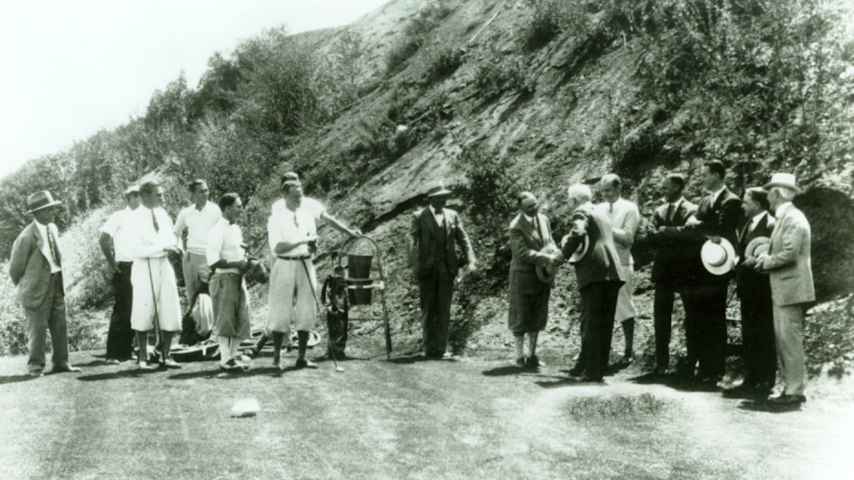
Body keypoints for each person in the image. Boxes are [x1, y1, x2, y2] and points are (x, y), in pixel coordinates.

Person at [661, 161, 743, 386]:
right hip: (701, 267)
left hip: (719, 266)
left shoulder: (732, 201)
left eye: (706, 174)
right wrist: (700, 226)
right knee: (700, 317)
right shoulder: (706, 200)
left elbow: (721, 230)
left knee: (715, 318)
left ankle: (716, 369)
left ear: (717, 175)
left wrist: (699, 226)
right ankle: (703, 366)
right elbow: (698, 225)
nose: (703, 178)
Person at [267, 174, 360, 370]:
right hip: (284, 264)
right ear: (285, 196)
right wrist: (302, 241)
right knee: (280, 310)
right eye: (295, 197)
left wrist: (314, 243)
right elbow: (278, 248)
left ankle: (301, 357)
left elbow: (321, 228)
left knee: (306, 309)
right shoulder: (276, 217)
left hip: (306, 263)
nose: (299, 200)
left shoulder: (306, 212)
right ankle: (276, 358)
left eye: (301, 196)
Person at [755, 173, 815, 407]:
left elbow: (789, 254)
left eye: (770, 191)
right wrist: (766, 260)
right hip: (784, 288)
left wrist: (766, 261)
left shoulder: (793, 218)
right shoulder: (785, 218)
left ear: (778, 193)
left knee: (790, 340)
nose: (767, 196)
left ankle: (796, 391)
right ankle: (790, 387)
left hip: (792, 289)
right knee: (784, 340)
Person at [8, 191, 81, 377]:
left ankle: (61, 363)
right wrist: (29, 287)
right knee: (37, 329)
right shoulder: (26, 237)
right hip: (36, 288)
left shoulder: (53, 229)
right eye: (47, 210)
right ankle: (35, 367)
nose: (52, 213)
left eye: (52, 209)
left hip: (56, 281)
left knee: (60, 325)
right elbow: (15, 270)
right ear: (36, 213)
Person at [558, 183, 624, 383]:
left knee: (592, 322)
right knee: (604, 322)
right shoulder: (601, 211)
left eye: (570, 200)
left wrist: (561, 255)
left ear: (576, 200)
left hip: (595, 271)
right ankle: (594, 367)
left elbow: (577, 233)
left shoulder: (581, 211)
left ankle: (592, 371)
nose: (569, 204)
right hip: (612, 270)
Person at [410, 183, 477, 359]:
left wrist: (471, 259)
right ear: (431, 199)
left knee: (444, 308)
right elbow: (412, 243)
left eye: (445, 197)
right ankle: (428, 347)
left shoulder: (453, 215)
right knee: (428, 308)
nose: (443, 200)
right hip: (427, 269)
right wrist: (414, 266)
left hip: (447, 269)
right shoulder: (419, 216)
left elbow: (463, 239)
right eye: (439, 197)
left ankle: (441, 348)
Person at [724, 187, 776, 398]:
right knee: (750, 332)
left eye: (746, 202)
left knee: (764, 332)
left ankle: (766, 379)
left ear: (757, 203)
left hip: (763, 288)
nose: (742, 205)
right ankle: (752, 376)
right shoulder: (747, 224)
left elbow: (772, 253)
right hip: (747, 288)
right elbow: (742, 250)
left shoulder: (771, 225)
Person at [129, 181, 183, 370]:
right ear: (146, 196)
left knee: (170, 307)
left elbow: (173, 237)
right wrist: (162, 248)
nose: (162, 198)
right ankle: (142, 357)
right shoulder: (134, 218)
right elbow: (134, 249)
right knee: (143, 310)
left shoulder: (163, 215)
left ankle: (165, 355)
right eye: (158, 195)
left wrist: (176, 247)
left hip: (163, 264)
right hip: (144, 266)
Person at [649, 174, 697, 375]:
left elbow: (690, 232)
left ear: (678, 187)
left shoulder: (692, 209)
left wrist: (665, 231)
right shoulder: (659, 210)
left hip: (686, 271)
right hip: (663, 272)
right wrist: (674, 233)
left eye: (667, 187)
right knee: (661, 318)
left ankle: (691, 361)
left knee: (692, 316)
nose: (663, 190)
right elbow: (650, 234)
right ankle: (661, 363)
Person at [507, 192, 558, 369]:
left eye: (535, 204)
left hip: (542, 275)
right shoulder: (516, 226)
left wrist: (555, 253)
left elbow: (550, 241)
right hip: (522, 277)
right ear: (521, 208)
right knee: (521, 315)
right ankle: (519, 356)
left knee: (538, 315)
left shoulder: (544, 219)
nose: (534, 209)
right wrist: (546, 258)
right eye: (529, 207)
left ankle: (532, 355)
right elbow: (521, 253)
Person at [596, 174, 640, 367]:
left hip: (621, 263)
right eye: (603, 191)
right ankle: (600, 350)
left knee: (624, 306)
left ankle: (629, 350)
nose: (605, 194)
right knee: (601, 307)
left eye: (609, 190)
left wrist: (606, 228)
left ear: (619, 188)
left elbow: (628, 238)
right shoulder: (598, 208)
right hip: (601, 264)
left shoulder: (630, 208)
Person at [207, 193, 252, 372]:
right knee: (225, 320)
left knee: (242, 318)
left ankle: (232, 357)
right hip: (224, 279)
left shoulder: (236, 229)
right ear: (226, 208)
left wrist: (246, 259)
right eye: (237, 206)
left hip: (238, 278)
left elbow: (237, 252)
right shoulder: (217, 230)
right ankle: (225, 359)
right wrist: (237, 263)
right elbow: (213, 260)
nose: (240, 210)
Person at [98, 185, 141, 364]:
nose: (139, 199)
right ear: (128, 198)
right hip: (124, 266)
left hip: (142, 265)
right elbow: (103, 239)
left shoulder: (145, 216)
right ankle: (113, 353)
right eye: (135, 196)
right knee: (123, 308)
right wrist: (111, 262)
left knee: (136, 309)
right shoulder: (119, 216)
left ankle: (127, 350)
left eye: (140, 196)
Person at [174, 179, 222, 305]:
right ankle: (196, 324)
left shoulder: (215, 210)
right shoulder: (186, 213)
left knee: (211, 293)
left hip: (208, 257)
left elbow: (223, 232)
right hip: (190, 258)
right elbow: (176, 233)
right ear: (193, 195)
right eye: (201, 191)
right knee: (192, 295)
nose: (205, 194)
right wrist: (180, 249)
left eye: (206, 190)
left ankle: (213, 324)